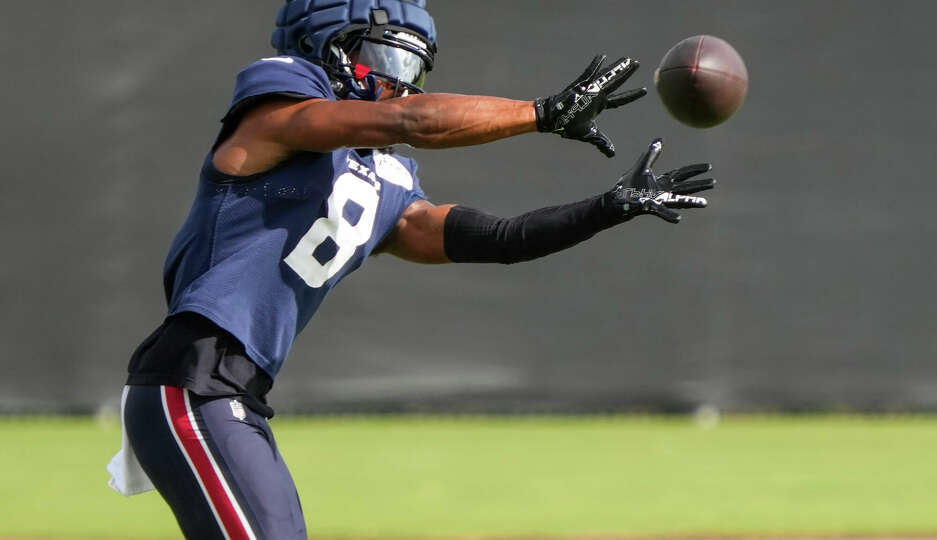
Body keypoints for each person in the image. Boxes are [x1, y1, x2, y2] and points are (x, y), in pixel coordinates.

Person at [107, 1, 716, 538]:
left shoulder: (388, 182)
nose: (402, 86)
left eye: (413, 70)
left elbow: (501, 239)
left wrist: (608, 208)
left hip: (233, 392)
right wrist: (542, 112)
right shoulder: (278, 101)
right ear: (328, 46)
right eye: (388, 62)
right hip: (191, 381)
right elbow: (410, 122)